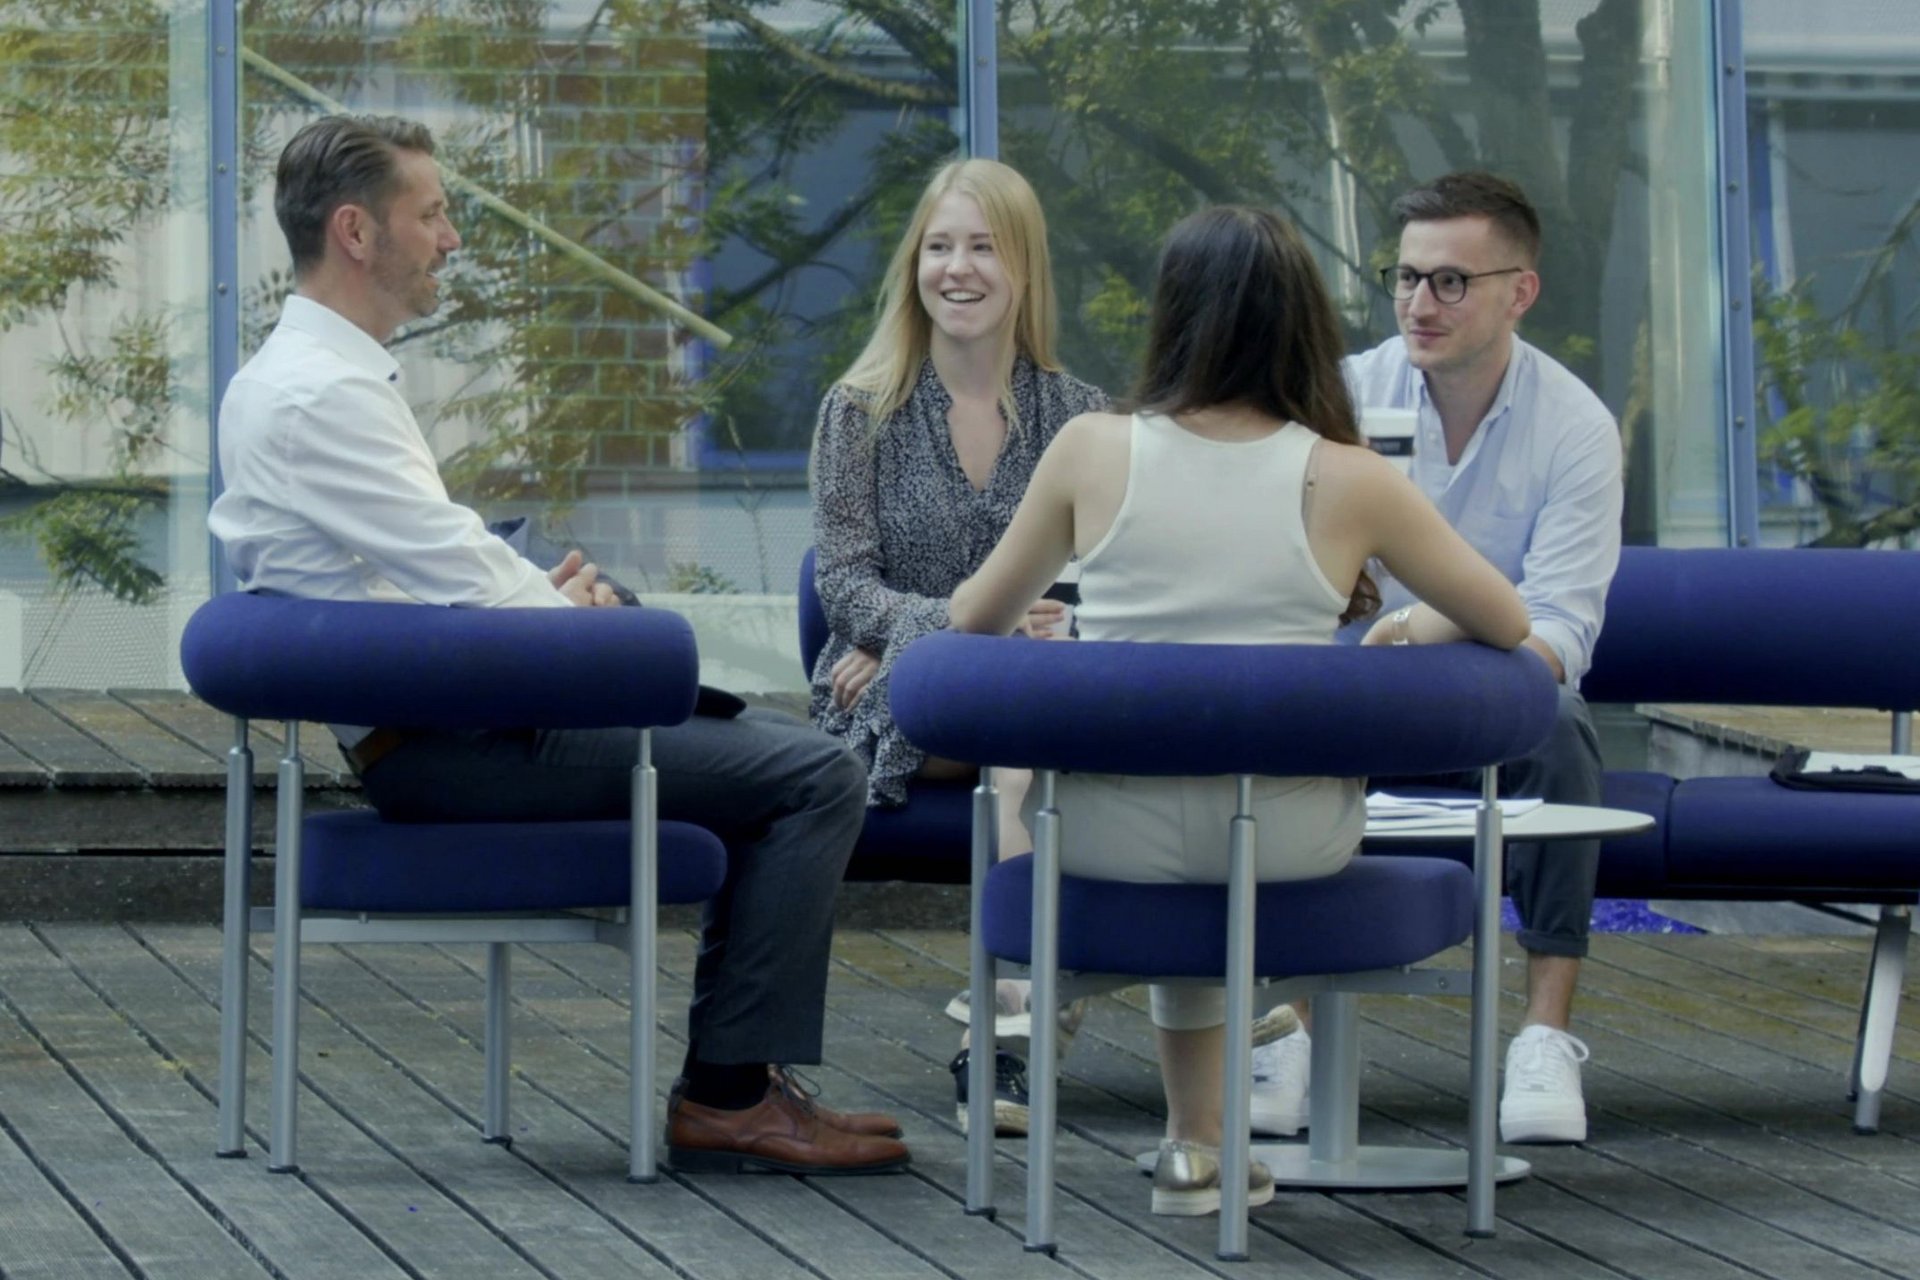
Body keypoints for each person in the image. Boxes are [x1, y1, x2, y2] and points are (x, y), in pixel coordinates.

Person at [208, 114, 910, 1177]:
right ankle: (727, 1096)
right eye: (433, 212)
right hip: (460, 744)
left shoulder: (315, 377)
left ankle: (740, 1081)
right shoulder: (320, 395)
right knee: (816, 772)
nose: (451, 238)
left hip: (458, 713)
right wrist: (575, 618)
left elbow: (439, 564)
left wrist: (550, 596)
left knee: (770, 755)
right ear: (356, 231)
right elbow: (462, 572)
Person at [948, 205, 1529, 1216]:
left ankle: (1192, 1146)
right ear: (1302, 322)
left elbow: (972, 619)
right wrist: (1398, 632)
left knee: (1178, 816)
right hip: (1291, 833)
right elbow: (1508, 619)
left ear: (1171, 317)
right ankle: (1200, 1143)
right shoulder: (1351, 477)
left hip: (1101, 829)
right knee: (1232, 827)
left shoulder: (1091, 450)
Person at [1248, 171, 1623, 1146]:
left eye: (1451, 281)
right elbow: (1284, 578)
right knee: (1275, 711)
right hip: (1353, 668)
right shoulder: (1343, 394)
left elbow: (1558, 632)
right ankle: (1287, 1022)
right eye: (1406, 277)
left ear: (1519, 291)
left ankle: (1544, 1032)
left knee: (1561, 730)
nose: (1420, 303)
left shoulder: (1574, 425)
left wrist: (1438, 625)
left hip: (1494, 680)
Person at [807, 157, 1109, 1134]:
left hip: (1042, 682)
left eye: (982, 246)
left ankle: (1009, 1023)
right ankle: (1022, 1017)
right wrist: (954, 624)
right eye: (940, 246)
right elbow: (843, 585)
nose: (958, 267)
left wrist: (1061, 619)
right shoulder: (859, 411)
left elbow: (1112, 580)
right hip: (896, 686)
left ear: (1023, 267)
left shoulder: (1084, 418)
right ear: (915, 266)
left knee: (1025, 736)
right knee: (1019, 747)